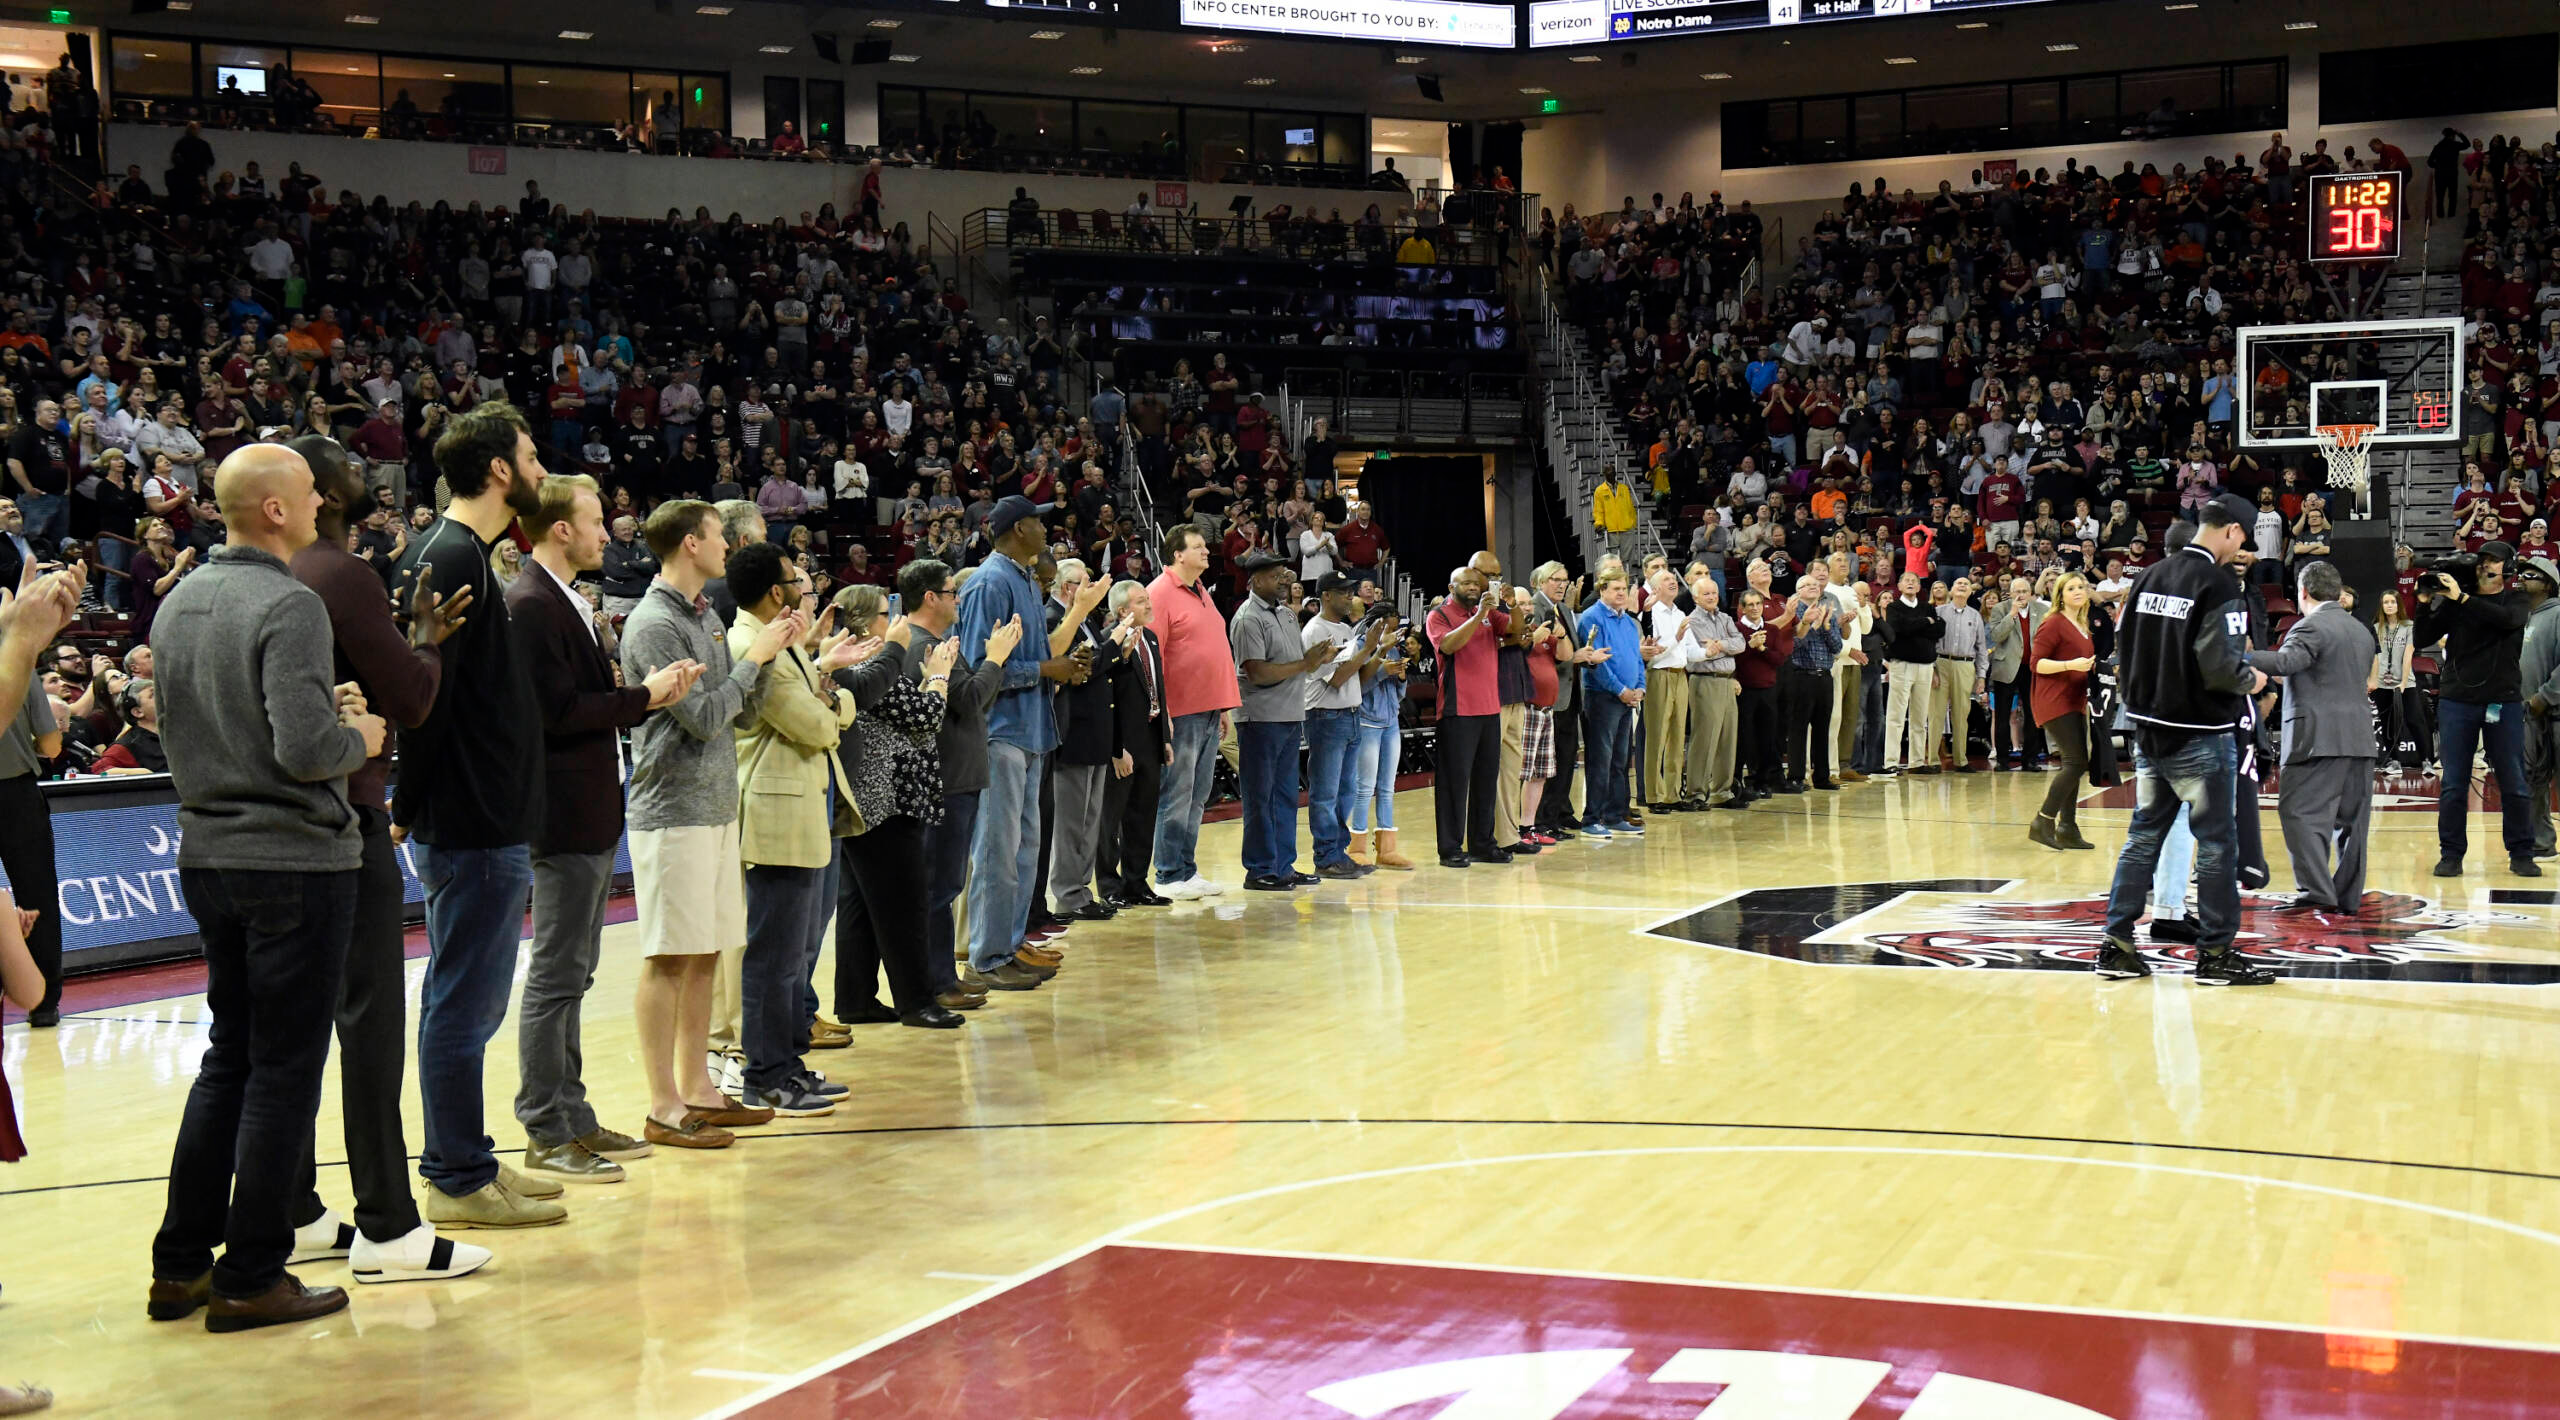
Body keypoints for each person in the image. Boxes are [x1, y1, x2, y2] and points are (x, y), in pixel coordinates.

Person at [148, 443, 389, 1332]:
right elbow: (302, 751)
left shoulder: (177, 603)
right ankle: (253, 1275)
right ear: (278, 511)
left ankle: (180, 1267)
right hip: (292, 859)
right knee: (285, 1071)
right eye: (309, 490)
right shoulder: (290, 604)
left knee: (230, 1059)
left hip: (207, 852)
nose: (325, 497)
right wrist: (358, 735)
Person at [284, 434, 487, 1284]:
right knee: (369, 1023)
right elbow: (407, 696)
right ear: (321, 493)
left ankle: (291, 1208)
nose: (368, 474)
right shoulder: (340, 573)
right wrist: (426, 639)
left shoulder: (259, 580)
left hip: (264, 834)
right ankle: (389, 1226)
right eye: (350, 466)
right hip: (344, 813)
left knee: (285, 1035)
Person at [390, 403, 567, 1229]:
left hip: (485, 817)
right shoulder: (451, 556)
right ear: (500, 469)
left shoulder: (467, 553)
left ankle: (469, 1160)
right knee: (464, 1006)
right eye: (531, 456)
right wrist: (410, 804)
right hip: (470, 821)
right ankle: (457, 1178)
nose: (540, 470)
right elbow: (424, 703)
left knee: (464, 1004)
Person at [510, 473, 701, 1183]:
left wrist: (643, 698)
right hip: (559, 816)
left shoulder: (563, 600)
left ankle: (574, 1113)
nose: (606, 531)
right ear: (561, 529)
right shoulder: (530, 604)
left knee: (577, 973)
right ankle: (545, 1126)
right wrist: (643, 697)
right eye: (595, 520)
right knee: (556, 977)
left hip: (588, 811)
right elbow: (556, 713)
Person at [620, 499, 795, 1148]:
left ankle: (698, 1088)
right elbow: (704, 717)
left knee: (704, 955)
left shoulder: (706, 617)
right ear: (690, 543)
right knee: (669, 957)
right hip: (673, 811)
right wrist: (760, 660)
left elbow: (736, 713)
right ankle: (663, 1105)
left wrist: (772, 662)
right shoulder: (652, 625)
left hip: (716, 805)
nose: (729, 545)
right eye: (719, 535)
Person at [2098, 499, 2271, 985]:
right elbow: (2220, 666)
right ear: (2233, 531)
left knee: (2143, 835)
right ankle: (2215, 954)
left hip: (2148, 730)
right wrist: (2250, 680)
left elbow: (2123, 650)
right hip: (2200, 735)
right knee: (2217, 843)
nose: (2241, 551)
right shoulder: (2218, 585)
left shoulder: (2150, 576)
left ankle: (2116, 943)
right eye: (2243, 541)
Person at [725, 540, 862, 1117]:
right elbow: (813, 722)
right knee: (774, 956)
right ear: (776, 590)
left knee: (795, 954)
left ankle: (789, 1063)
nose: (805, 593)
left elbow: (824, 703)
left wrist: (828, 699)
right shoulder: (750, 642)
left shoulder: (783, 640)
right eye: (796, 583)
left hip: (803, 805)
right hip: (776, 812)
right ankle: (765, 1074)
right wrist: (830, 705)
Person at [827, 582, 968, 1028]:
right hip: (888, 797)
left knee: (860, 905)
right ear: (869, 623)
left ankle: (856, 998)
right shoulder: (873, 662)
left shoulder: (860, 666)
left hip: (866, 797)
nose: (896, 623)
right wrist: (940, 674)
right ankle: (916, 1002)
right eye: (887, 616)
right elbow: (925, 717)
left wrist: (927, 683)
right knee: (903, 904)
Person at [956, 497, 1086, 984]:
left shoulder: (1026, 577)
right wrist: (1044, 669)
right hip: (999, 732)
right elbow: (975, 666)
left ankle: (1010, 945)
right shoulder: (990, 582)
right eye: (1037, 520)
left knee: (1025, 849)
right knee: (997, 850)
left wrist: (1062, 669)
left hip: (1031, 730)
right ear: (1016, 529)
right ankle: (986, 957)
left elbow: (1033, 656)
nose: (1044, 527)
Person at [888, 558, 1021, 1000]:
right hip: (941, 781)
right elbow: (967, 701)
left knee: (943, 885)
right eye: (950, 591)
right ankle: (933, 982)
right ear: (930, 597)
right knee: (936, 887)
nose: (957, 599)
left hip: (955, 778)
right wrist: (996, 658)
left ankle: (942, 975)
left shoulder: (932, 640)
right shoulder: (919, 644)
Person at [2252, 561, 2381, 912]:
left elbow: (2287, 663)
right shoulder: (2361, 631)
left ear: (2303, 592)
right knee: (2352, 824)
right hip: (2359, 738)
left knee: (2298, 812)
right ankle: (2347, 897)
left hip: (2317, 738)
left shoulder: (2310, 627)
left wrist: (2241, 655)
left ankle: (2316, 893)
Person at [2415, 539, 2541, 878]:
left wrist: (2461, 597)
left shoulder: (2516, 599)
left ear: (2508, 568)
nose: (2487, 565)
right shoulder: (2459, 602)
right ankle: (2451, 854)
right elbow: (2422, 636)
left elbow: (2505, 620)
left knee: (2512, 779)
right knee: (2454, 782)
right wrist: (2424, 602)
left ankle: (2521, 851)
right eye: (2483, 559)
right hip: (2458, 700)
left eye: (2495, 561)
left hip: (2502, 699)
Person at [1149, 524, 1241, 900]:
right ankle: (1169, 873)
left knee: (1198, 794)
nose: (1207, 551)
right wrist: (1163, 709)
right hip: (1181, 712)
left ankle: (1186, 869)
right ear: (1178, 554)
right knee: (1177, 793)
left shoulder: (1200, 590)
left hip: (1207, 708)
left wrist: (1221, 706)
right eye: (1199, 547)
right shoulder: (1160, 592)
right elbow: (1152, 656)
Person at [1231, 548, 1326, 890]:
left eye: (1284, 575)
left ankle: (1283, 865)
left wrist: (1315, 659)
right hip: (1259, 719)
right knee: (1260, 797)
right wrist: (1305, 664)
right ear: (1255, 580)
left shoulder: (1286, 614)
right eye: (1275, 576)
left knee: (1286, 796)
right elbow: (1256, 672)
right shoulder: (1247, 619)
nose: (1284, 581)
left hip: (1288, 717)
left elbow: (1295, 661)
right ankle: (1259, 869)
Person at [1045, 558, 1123, 918]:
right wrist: (1116, 643)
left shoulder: (1087, 620)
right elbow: (1079, 668)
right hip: (1071, 730)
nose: (1092, 588)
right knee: (1071, 821)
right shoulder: (1053, 620)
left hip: (1095, 729)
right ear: (1067, 589)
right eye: (1085, 582)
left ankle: (1082, 890)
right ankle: (1067, 894)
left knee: (1090, 817)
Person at [1301, 573, 1391, 879]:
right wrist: (1366, 650)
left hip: (1350, 713)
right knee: (1326, 792)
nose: (1349, 597)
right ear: (1326, 596)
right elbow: (1336, 679)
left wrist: (1375, 651)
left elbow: (1357, 680)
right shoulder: (1316, 630)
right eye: (1342, 593)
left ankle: (1338, 852)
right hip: (1326, 715)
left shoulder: (1343, 629)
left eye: (1350, 591)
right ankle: (1325, 857)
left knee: (1346, 791)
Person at [1433, 564, 1519, 863]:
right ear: (1451, 587)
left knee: (1485, 780)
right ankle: (1451, 848)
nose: (1473, 587)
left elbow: (1515, 631)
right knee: (1455, 783)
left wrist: (1513, 604)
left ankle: (1483, 843)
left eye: (1476, 583)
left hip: (1489, 707)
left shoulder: (1487, 611)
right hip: (1459, 710)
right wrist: (1481, 615)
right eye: (1465, 583)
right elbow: (1448, 645)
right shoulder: (1440, 615)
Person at [1098, 579, 1172, 906]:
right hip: (1123, 743)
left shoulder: (1152, 638)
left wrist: (1165, 738)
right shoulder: (1108, 643)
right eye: (1141, 601)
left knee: (1144, 816)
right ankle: (1109, 888)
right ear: (1122, 611)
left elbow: (1159, 689)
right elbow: (1106, 699)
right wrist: (1117, 748)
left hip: (1150, 738)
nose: (1148, 604)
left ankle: (1137, 883)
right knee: (1111, 819)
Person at [2028, 573, 2100, 851]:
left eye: (2081, 586)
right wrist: (2072, 665)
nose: (2078, 591)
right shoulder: (2054, 623)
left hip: (2075, 700)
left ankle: (2068, 827)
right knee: (2075, 762)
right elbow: (2037, 664)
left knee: (2079, 761)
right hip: (2054, 699)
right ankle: (2043, 820)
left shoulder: (2082, 624)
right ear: (2060, 594)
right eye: (2071, 588)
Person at [1575, 569, 1646, 839]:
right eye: (1615, 588)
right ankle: (1592, 817)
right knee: (1600, 760)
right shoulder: (1593, 618)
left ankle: (1615, 815)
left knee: (1620, 759)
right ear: (1602, 590)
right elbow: (1596, 663)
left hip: (1628, 698)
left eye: (1624, 588)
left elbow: (1637, 659)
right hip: (1603, 698)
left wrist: (1640, 687)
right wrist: (1621, 690)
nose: (1621, 593)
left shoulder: (1628, 622)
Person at [1779, 563, 1842, 792]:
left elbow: (1837, 647)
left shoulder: (1828, 610)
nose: (1813, 587)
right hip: (1799, 675)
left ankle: (1822, 777)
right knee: (1798, 728)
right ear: (1798, 591)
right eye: (1807, 584)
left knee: (1822, 727)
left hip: (1824, 676)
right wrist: (1809, 624)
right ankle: (1796, 776)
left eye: (1816, 585)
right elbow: (1791, 646)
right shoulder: (1792, 612)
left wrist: (1824, 626)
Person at [1684, 572, 1745, 808]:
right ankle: (1696, 793)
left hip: (1727, 680)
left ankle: (1722, 791)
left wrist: (1720, 645)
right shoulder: (1693, 620)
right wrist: (1726, 646)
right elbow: (1701, 647)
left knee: (1727, 737)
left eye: (1714, 593)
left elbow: (1740, 643)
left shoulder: (1725, 618)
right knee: (1705, 737)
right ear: (1696, 598)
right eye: (1706, 594)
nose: (1712, 597)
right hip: (1705, 680)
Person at [2516, 557, 2560, 860]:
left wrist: (2545, 696)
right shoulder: (2524, 617)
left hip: (2553, 710)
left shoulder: (2557, 614)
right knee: (2533, 779)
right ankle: (2541, 841)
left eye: (2529, 575)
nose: (2521, 579)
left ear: (2547, 583)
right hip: (2530, 715)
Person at [1643, 569, 1697, 810]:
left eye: (1673, 579)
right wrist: (1676, 637)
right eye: (1666, 580)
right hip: (1659, 676)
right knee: (1657, 736)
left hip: (1680, 675)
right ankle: (1653, 795)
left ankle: (1673, 794)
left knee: (1677, 737)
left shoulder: (1680, 612)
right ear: (1655, 588)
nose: (1673, 582)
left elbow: (1688, 649)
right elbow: (1654, 650)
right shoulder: (1652, 613)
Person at [1879, 571, 1942, 773]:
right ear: (1899, 586)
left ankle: (1917, 762)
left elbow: (1939, 630)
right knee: (1896, 716)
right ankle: (1890, 762)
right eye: (1907, 580)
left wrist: (1916, 626)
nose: (1911, 583)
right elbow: (1899, 628)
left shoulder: (1927, 607)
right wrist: (1926, 623)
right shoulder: (1894, 607)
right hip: (1901, 664)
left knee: (1920, 717)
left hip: (1925, 666)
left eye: (1914, 581)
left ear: (1919, 586)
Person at [1987, 576, 2048, 770]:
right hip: (2006, 668)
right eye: (2016, 592)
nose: (2020, 595)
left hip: (2032, 668)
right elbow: (1996, 636)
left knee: (2033, 715)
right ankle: (2002, 760)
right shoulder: (2000, 609)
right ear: (2010, 594)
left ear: (2031, 594)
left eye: (2024, 591)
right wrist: (2012, 614)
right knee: (2003, 716)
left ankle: (2030, 760)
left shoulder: (2043, 610)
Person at [1933, 577, 1989, 771]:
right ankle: (1932, 760)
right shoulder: (1938, 612)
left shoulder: (1975, 616)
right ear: (1951, 590)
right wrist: (1932, 669)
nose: (1963, 586)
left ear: (1970, 592)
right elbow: (1929, 642)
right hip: (1941, 662)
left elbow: (1982, 648)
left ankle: (1960, 760)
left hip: (1965, 665)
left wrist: (1981, 676)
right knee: (1936, 714)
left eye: (1966, 584)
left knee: (1961, 715)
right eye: (1958, 583)